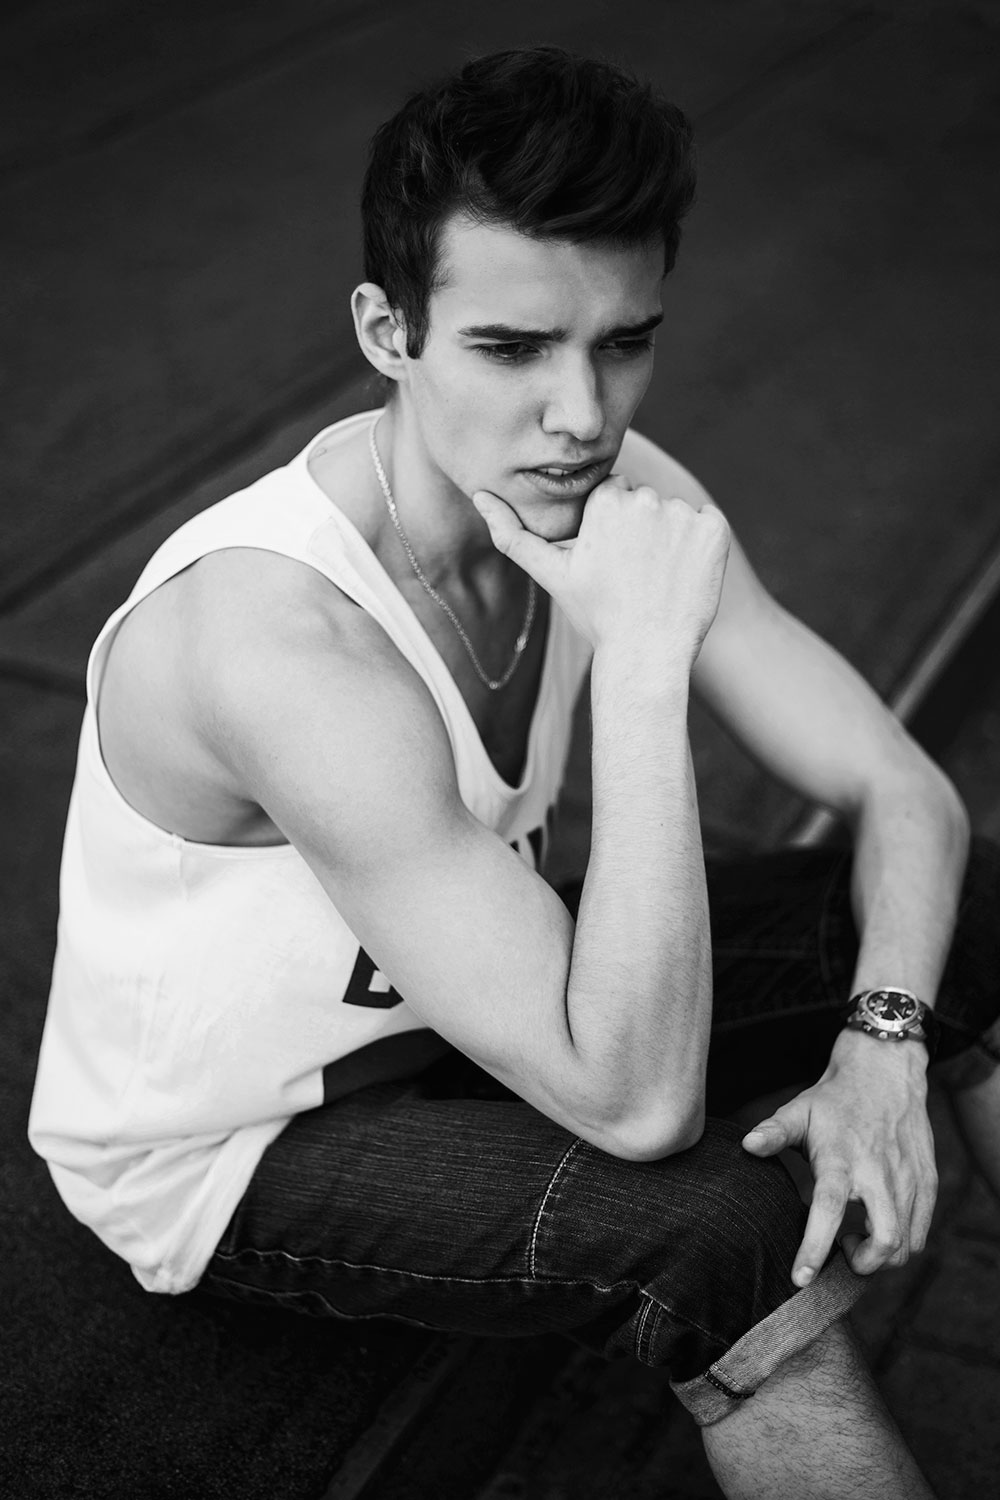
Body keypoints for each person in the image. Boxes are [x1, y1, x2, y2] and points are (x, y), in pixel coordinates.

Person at [29, 46, 1000, 1499]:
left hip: (488, 1008)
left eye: (624, 343)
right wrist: (646, 667)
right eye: (512, 348)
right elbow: (636, 1104)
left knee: (962, 913)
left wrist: (883, 1043)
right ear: (389, 331)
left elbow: (902, 791)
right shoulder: (280, 643)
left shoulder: (617, 488)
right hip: (245, 1145)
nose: (583, 414)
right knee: (715, 1228)